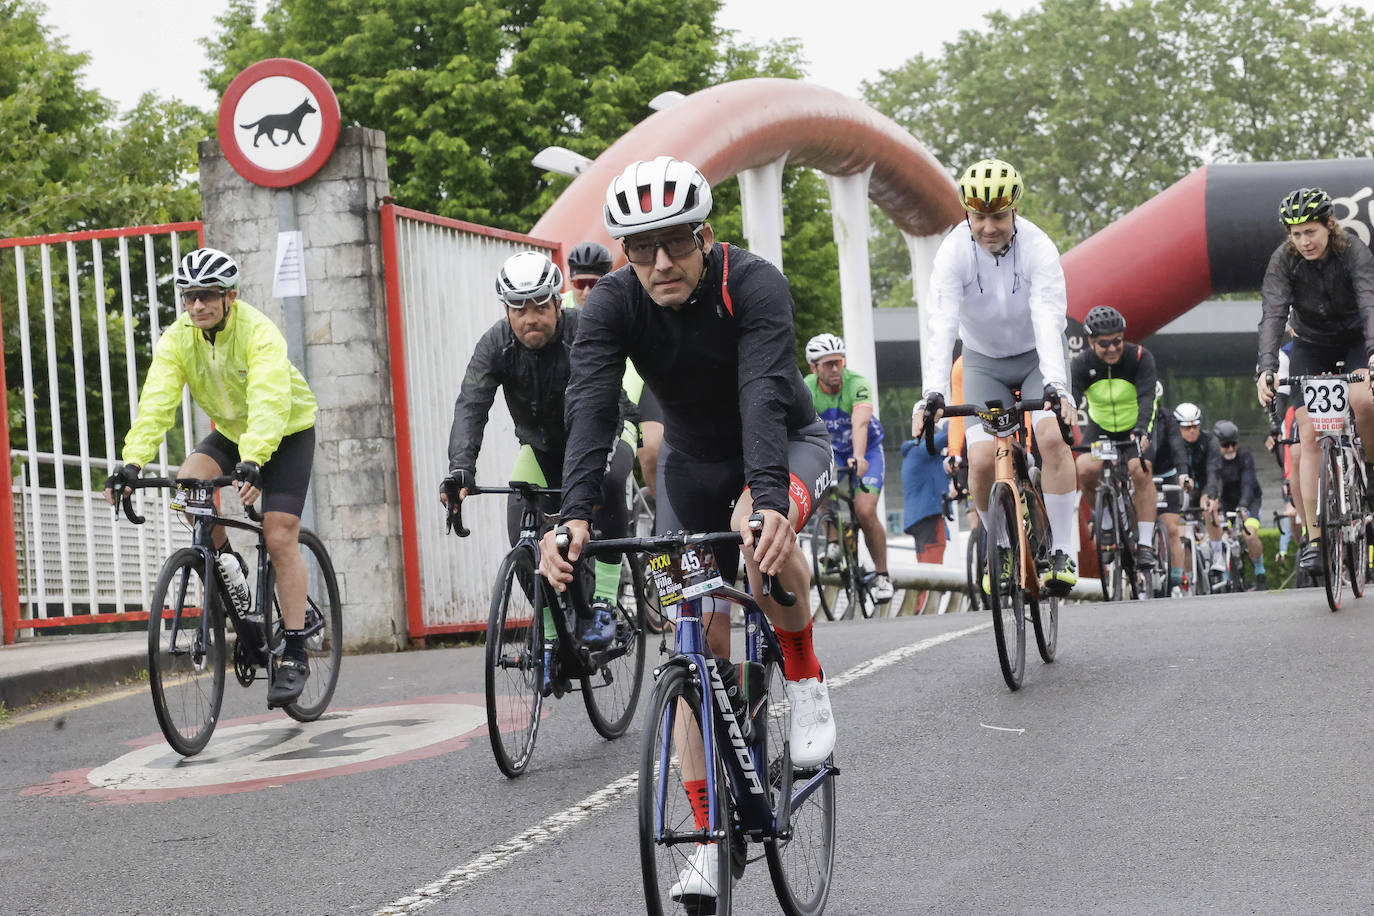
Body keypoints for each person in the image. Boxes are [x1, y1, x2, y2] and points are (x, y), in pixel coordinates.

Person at [537, 157, 836, 907]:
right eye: (642, 248)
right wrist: (572, 517)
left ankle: (804, 681)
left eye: (675, 242)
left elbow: (764, 396)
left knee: (763, 547)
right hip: (691, 471)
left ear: (706, 235)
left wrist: (767, 501)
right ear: (626, 253)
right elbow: (593, 411)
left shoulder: (754, 283)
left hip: (783, 446)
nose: (661, 262)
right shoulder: (610, 304)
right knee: (691, 638)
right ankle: (705, 840)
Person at [103, 247, 318, 706]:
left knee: (279, 536)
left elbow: (269, 399)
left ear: (230, 297)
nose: (197, 305)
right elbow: (157, 401)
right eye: (189, 297)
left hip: (287, 431)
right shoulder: (178, 338)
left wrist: (256, 458)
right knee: (189, 484)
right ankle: (227, 564)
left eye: (207, 295)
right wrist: (132, 463)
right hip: (233, 433)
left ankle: (296, 649)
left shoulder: (259, 332)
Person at [441, 250, 636, 658]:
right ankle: (549, 630)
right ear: (506, 310)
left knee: (610, 482)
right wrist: (461, 469)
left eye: (539, 306)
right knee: (522, 522)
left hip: (606, 430)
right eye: (517, 308)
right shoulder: (495, 344)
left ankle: (603, 603)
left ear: (556, 301)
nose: (529, 318)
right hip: (542, 447)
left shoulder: (583, 331)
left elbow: (598, 407)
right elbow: (471, 404)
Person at [913, 157, 1079, 596]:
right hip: (983, 361)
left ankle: (1062, 548)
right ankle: (1000, 544)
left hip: (1036, 355)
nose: (989, 227)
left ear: (1015, 212)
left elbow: (1048, 318)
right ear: (967, 213)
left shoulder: (1038, 248)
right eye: (980, 217)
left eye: (999, 217)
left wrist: (1056, 388)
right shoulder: (953, 252)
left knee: (1049, 439)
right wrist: (932, 392)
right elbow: (941, 326)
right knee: (983, 460)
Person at [1256, 186, 1374, 575]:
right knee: (1308, 431)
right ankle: (1315, 538)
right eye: (1296, 234)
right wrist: (1267, 367)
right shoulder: (1283, 261)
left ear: (1329, 226)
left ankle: (1370, 475)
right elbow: (1273, 314)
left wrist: (1373, 352)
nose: (1304, 242)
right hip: (1310, 343)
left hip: (1357, 339)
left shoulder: (1352, 251)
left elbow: (1370, 301)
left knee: (1363, 400)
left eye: (1311, 232)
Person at [803, 333, 893, 601]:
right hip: (832, 452)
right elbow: (801, 431)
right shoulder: (806, 388)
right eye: (827, 364)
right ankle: (833, 541)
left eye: (838, 362)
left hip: (866, 449)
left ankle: (882, 575)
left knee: (865, 511)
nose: (834, 369)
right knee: (817, 484)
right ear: (814, 367)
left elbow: (860, 423)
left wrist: (859, 455)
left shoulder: (857, 384)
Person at [1071, 305, 1160, 570]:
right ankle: (1106, 520)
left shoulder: (1140, 357)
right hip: (1102, 429)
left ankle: (1145, 543)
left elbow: (1148, 398)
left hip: (1135, 425)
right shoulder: (1081, 363)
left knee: (1139, 470)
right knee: (1085, 469)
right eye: (1104, 343)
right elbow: (1073, 401)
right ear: (1090, 342)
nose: (1112, 348)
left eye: (1117, 341)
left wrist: (1142, 430)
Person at [1208, 419, 1265, 589]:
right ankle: (1228, 576)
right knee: (1223, 535)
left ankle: (1260, 572)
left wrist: (1243, 505)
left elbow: (1248, 483)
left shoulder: (1245, 456)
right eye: (1226, 445)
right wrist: (1212, 498)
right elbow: (1212, 481)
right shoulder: (1215, 460)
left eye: (1234, 444)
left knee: (1249, 534)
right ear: (1218, 445)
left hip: (1249, 500)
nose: (1231, 449)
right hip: (1227, 503)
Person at [1148, 381, 1190, 591]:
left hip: (1166, 475)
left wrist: (1183, 474)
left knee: (1173, 529)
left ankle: (1175, 578)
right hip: (1141, 475)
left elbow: (1177, 446)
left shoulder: (1167, 418)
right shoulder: (1130, 416)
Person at [901, 419, 952, 563]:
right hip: (928, 515)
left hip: (921, 517)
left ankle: (926, 586)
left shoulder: (916, 456)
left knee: (925, 562)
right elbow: (949, 433)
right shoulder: (921, 452)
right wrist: (953, 416)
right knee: (932, 561)